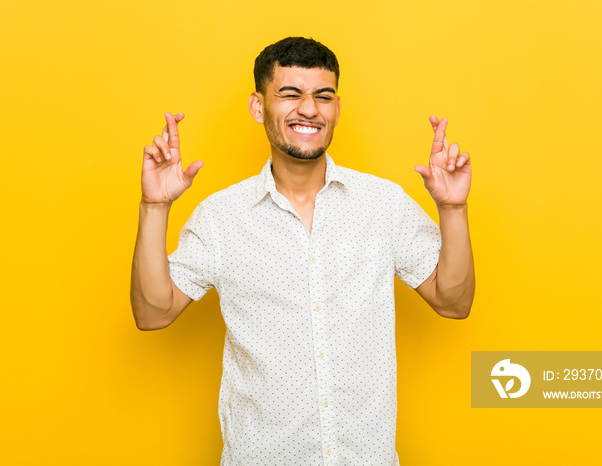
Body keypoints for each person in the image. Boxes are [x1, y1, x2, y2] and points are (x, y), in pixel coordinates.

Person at [131, 37, 474, 466]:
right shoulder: (221, 217)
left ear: (336, 109)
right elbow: (152, 313)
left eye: (322, 96)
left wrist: (453, 209)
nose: (309, 109)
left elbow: (454, 301)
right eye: (290, 94)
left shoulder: (383, 204)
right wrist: (155, 206)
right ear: (258, 107)